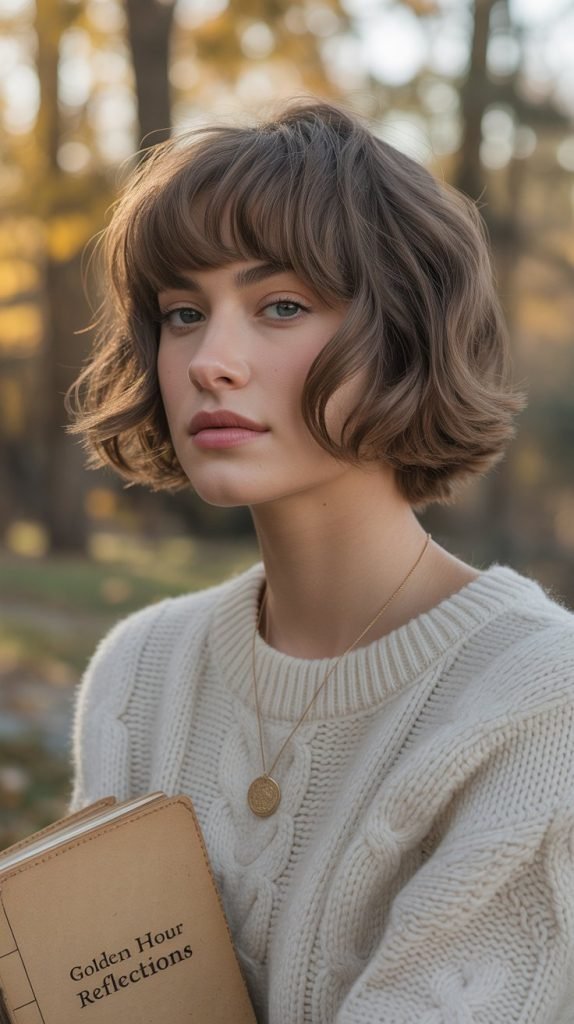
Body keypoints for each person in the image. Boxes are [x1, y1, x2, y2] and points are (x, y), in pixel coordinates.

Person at [66, 99, 574, 1023]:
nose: (210, 361)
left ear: (404, 337)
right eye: (184, 312)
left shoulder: (541, 701)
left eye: (282, 307)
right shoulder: (141, 672)